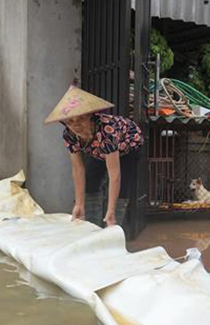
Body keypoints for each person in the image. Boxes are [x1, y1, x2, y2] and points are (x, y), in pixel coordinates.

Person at [45, 85, 143, 227]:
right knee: (91, 181)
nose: (76, 125)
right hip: (98, 149)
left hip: (128, 145)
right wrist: (79, 204)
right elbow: (78, 169)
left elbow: (114, 174)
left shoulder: (106, 131)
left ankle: (113, 223)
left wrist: (110, 209)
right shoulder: (69, 134)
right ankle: (91, 225)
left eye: (81, 119)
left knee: (121, 186)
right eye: (70, 121)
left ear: (90, 116)